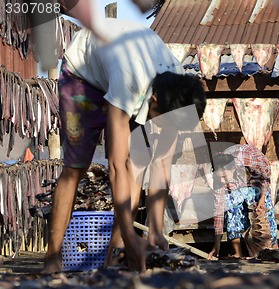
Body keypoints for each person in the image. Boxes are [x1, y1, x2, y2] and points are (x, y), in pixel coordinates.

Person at [43, 18, 206, 274]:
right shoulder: (130, 82)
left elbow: (162, 163)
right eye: (161, 123)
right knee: (77, 166)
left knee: (137, 163)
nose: (161, 130)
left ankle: (116, 254)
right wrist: (133, 239)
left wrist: (155, 231)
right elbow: (116, 166)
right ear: (153, 100)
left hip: (121, 68)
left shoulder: (179, 89)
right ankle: (53, 257)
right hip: (82, 76)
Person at [208, 145, 278, 259]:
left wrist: (262, 200)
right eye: (219, 177)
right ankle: (238, 253)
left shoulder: (250, 160)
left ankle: (274, 248)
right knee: (230, 204)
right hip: (238, 186)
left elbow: (265, 175)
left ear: (233, 168)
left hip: (257, 182)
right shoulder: (218, 181)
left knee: (264, 213)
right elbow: (219, 211)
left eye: (224, 177)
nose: (222, 181)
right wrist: (217, 244)